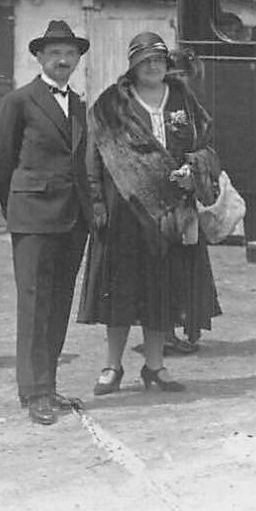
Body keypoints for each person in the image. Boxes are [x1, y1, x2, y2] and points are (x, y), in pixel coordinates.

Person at [80, 32, 220, 395]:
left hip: (172, 212)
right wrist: (97, 202)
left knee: (161, 291)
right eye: (145, 61)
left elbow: (205, 145)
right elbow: (95, 156)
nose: (153, 66)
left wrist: (195, 169)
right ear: (133, 66)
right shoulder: (112, 104)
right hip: (125, 210)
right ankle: (112, 366)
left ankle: (155, 367)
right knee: (121, 291)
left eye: (158, 59)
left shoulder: (184, 99)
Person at [0, 20, 93, 426]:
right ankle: (33, 393)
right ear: (39, 57)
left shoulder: (81, 104)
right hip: (33, 216)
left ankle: (47, 385)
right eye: (55, 54)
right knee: (34, 305)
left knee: (58, 303)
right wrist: (16, 208)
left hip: (72, 219)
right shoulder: (18, 101)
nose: (63, 60)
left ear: (78, 59)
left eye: (70, 54)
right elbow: (0, 162)